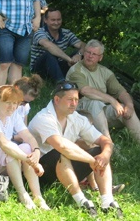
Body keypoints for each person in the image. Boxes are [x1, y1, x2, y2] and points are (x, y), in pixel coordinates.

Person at [28, 82, 122, 217]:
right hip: (40, 172)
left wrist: (105, 155)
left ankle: (107, 201)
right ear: (57, 100)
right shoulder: (44, 118)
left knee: (100, 152)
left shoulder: (77, 118)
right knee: (61, 153)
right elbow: (62, 146)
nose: (74, 103)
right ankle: (82, 201)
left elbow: (105, 141)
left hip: (66, 169)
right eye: (70, 100)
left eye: (76, 100)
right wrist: (91, 160)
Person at [0, 85, 49, 210]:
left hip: (1, 160)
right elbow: (4, 144)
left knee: (27, 147)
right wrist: (32, 162)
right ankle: (22, 194)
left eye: (15, 103)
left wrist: (36, 151)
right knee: (9, 149)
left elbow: (27, 136)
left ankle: (37, 196)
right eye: (8, 103)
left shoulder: (13, 115)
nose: (12, 107)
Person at [67, 39, 140, 143]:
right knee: (95, 103)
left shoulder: (105, 72)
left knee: (125, 107)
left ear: (100, 57)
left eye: (94, 54)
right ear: (84, 52)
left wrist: (130, 105)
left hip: (99, 113)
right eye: (88, 52)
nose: (90, 56)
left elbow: (122, 92)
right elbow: (85, 90)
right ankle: (108, 144)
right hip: (77, 112)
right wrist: (112, 100)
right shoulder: (76, 70)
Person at [0, 75, 44, 143]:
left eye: (27, 102)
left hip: (10, 139)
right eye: (23, 101)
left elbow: (23, 127)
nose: (22, 105)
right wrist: (13, 138)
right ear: (16, 88)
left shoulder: (24, 106)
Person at [30, 8, 85, 82]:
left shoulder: (66, 33)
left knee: (87, 53)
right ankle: (62, 83)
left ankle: (85, 80)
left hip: (58, 67)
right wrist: (69, 60)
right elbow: (48, 46)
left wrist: (79, 54)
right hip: (40, 71)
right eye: (53, 20)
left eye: (58, 19)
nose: (56, 22)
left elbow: (83, 45)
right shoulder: (39, 33)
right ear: (45, 20)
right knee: (48, 54)